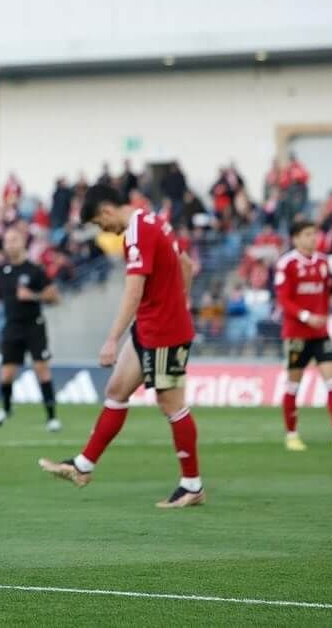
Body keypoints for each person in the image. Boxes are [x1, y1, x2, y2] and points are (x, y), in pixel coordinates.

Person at [40, 184, 205, 509]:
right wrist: (181, 302)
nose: (105, 231)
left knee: (171, 404)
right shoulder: (154, 220)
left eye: (100, 224)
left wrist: (112, 338)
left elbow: (133, 291)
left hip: (164, 332)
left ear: (107, 211)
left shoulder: (137, 233)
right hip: (149, 325)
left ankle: (192, 485)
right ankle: (83, 466)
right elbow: (186, 263)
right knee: (116, 390)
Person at [275, 220, 332, 452]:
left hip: (320, 334)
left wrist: (324, 317)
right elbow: (283, 300)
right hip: (296, 335)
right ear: (296, 238)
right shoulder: (287, 263)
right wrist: (306, 316)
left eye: (314, 234)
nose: (313, 238)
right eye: (308, 234)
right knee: (293, 385)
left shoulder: (323, 262)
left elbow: (325, 293)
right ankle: (292, 435)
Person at [0, 226, 61, 431]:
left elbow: (55, 296)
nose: (10, 244)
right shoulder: (0, 270)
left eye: (14, 240)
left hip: (33, 326)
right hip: (12, 326)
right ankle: (6, 409)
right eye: (7, 241)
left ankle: (52, 417)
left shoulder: (34, 270)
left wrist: (33, 296)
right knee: (6, 375)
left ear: (23, 242)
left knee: (41, 370)